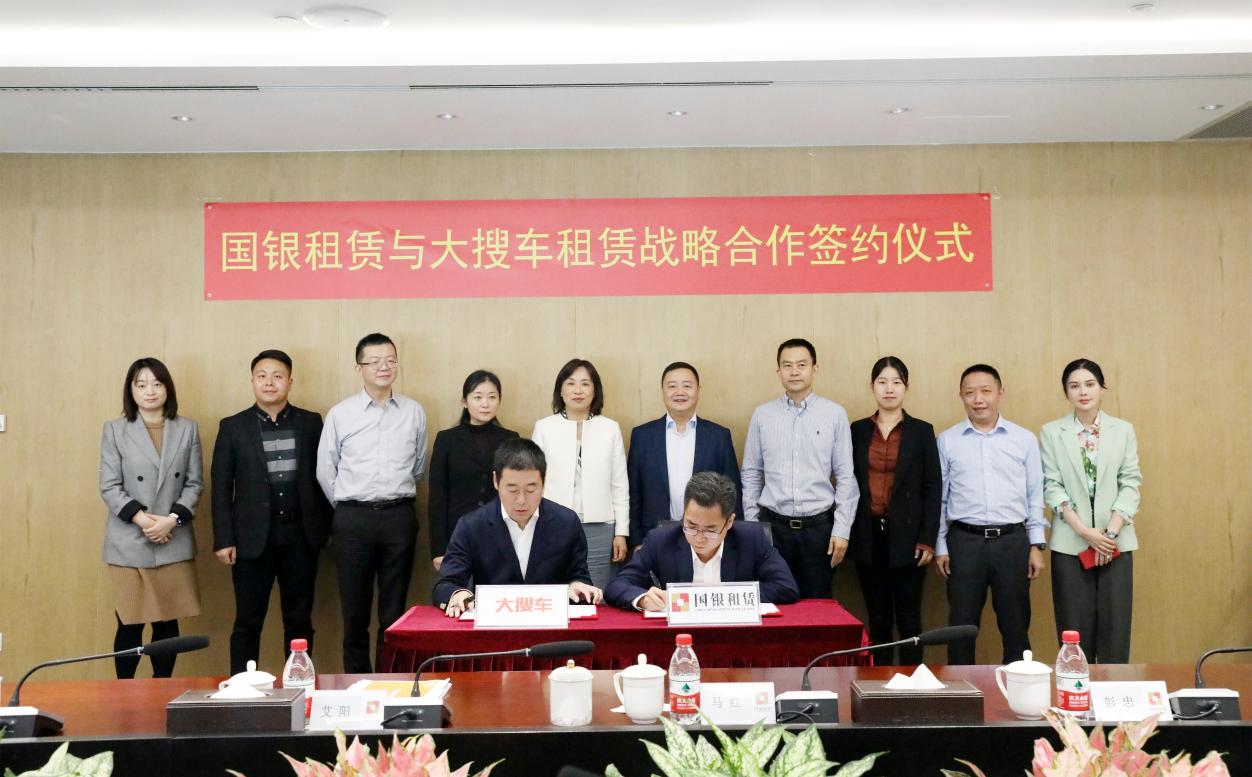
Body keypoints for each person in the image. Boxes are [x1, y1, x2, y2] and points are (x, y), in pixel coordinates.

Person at [211, 349, 331, 674]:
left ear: (290, 381)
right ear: (252, 381)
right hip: (250, 540)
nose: (269, 383)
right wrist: (224, 539)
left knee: (299, 620)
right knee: (248, 621)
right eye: (261, 376)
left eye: (277, 376)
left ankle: (298, 684)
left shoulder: (311, 422)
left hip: (300, 537)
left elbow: (324, 477)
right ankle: (242, 688)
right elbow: (221, 487)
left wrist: (324, 529)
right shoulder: (233, 427)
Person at [317, 333, 428, 673]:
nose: (384, 367)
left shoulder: (413, 412)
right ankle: (356, 683)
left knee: (394, 613)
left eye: (390, 360)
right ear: (359, 368)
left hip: (398, 517)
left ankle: (388, 680)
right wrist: (350, 505)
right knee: (355, 613)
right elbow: (326, 471)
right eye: (375, 361)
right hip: (353, 520)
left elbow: (418, 467)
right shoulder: (341, 414)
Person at [935, 364, 1047, 665]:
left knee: (1016, 627)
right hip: (964, 542)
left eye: (986, 391)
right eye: (970, 392)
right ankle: (961, 691)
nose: (978, 399)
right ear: (961, 396)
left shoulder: (1024, 439)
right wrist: (941, 545)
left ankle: (1019, 689)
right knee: (960, 627)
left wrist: (1035, 544)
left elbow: (1035, 494)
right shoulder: (947, 440)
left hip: (1012, 541)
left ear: (1000, 393)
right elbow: (940, 499)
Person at [98, 357, 203, 678]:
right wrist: (145, 521)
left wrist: (171, 520)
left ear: (168, 388)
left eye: (157, 383)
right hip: (130, 540)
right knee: (129, 621)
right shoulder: (115, 430)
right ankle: (124, 691)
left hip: (173, 537)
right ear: (130, 390)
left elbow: (195, 483)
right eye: (141, 385)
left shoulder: (186, 428)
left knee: (167, 622)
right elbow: (109, 486)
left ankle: (162, 688)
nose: (150, 391)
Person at [1041, 358, 1141, 663]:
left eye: (1089, 384)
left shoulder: (1122, 430)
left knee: (1115, 633)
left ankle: (1112, 693)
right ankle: (1075, 692)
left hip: (1115, 544)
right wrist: (1085, 532)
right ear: (1066, 392)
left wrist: (1108, 535)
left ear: (1102, 388)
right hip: (1071, 544)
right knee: (1074, 634)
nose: (1083, 392)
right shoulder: (1052, 432)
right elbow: (1052, 485)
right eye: (1074, 386)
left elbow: (1130, 482)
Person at [741, 338, 859, 598]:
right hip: (773, 529)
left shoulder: (834, 414)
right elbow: (751, 473)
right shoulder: (762, 415)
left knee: (817, 607)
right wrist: (753, 526)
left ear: (814, 369)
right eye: (787, 365)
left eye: (801, 365)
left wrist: (842, 530)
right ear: (778, 371)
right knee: (774, 604)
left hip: (819, 531)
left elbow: (845, 477)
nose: (794, 371)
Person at [435, 438, 603, 616]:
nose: (521, 500)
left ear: (544, 482)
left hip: (549, 622)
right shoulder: (472, 526)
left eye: (531, 489)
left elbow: (579, 575)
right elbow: (447, 583)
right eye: (512, 489)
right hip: (495, 623)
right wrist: (458, 593)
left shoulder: (566, 522)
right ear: (496, 481)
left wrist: (577, 585)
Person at [848, 356, 941, 666]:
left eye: (896, 382)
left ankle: (913, 683)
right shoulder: (857, 430)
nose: (889, 389)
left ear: (906, 387)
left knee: (909, 618)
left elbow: (933, 488)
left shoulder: (922, 431)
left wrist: (928, 538)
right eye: (882, 382)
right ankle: (878, 683)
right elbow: (847, 481)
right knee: (878, 618)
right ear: (872, 386)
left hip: (910, 537)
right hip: (868, 535)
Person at [606, 472, 798, 611]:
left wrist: (725, 598)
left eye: (710, 530)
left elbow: (786, 587)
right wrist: (642, 599)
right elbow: (617, 585)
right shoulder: (660, 540)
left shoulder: (751, 539)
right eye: (691, 525)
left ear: (729, 522)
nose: (699, 537)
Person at [530, 359, 629, 589]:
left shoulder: (610, 428)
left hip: (600, 526)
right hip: (552, 524)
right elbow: (534, 481)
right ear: (560, 390)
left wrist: (621, 532)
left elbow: (619, 484)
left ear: (595, 391)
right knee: (555, 591)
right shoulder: (544, 427)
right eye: (571, 383)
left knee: (596, 592)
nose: (578, 390)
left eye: (585, 384)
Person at [626, 361, 741, 551]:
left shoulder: (719, 436)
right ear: (662, 391)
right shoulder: (642, 436)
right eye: (672, 386)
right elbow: (634, 493)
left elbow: (732, 492)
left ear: (698, 390)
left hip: (707, 537)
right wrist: (637, 541)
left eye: (687, 386)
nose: (680, 392)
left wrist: (729, 539)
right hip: (654, 536)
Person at [428, 370, 520, 572]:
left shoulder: (511, 439)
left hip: (501, 534)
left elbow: (516, 491)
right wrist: (438, 549)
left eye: (492, 397)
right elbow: (437, 499)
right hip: (457, 534)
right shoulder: (446, 440)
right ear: (465, 401)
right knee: (460, 590)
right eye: (478, 397)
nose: (485, 404)